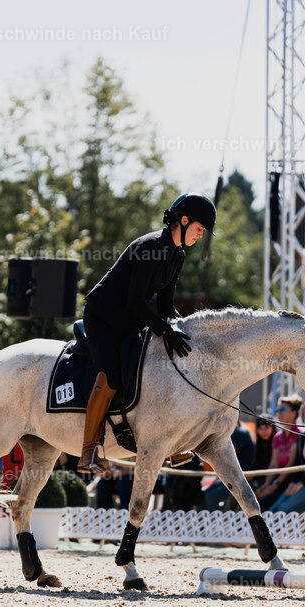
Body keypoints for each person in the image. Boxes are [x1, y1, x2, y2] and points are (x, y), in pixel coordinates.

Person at [77, 193, 216, 474]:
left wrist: (182, 329)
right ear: (184, 221)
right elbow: (134, 300)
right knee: (110, 377)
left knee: (160, 367)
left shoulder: (177, 255)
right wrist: (164, 329)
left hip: (130, 320)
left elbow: (165, 306)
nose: (200, 235)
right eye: (199, 229)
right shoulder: (149, 247)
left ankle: (171, 443)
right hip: (103, 318)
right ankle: (88, 451)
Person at [256, 395, 303, 510]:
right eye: (277, 409)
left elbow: (290, 464)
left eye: (283, 409)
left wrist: (274, 485)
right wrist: (266, 484)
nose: (279, 413)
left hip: (291, 479)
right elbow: (273, 464)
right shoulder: (277, 436)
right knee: (257, 501)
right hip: (279, 477)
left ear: (294, 413)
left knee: (268, 506)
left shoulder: (298, 434)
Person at [203, 423, 256, 511]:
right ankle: (218, 516)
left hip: (241, 476)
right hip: (233, 475)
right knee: (205, 492)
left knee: (211, 496)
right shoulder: (235, 432)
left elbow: (225, 454)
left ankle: (219, 517)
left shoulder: (240, 432)